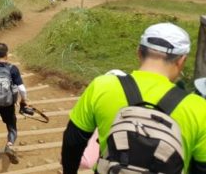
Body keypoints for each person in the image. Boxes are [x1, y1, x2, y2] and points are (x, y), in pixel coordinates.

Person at [61, 22, 206, 174]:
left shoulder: (102, 86)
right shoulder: (199, 108)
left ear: (139, 52)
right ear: (181, 60)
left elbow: (73, 141)